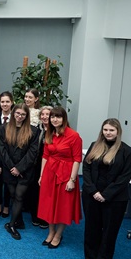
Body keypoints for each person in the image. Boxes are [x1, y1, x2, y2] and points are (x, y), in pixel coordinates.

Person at [82, 118, 131, 259]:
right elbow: (86, 169)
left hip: (114, 199)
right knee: (92, 226)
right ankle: (90, 256)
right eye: (105, 130)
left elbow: (124, 178)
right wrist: (93, 191)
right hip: (91, 195)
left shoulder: (128, 152)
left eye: (111, 130)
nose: (108, 133)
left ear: (118, 131)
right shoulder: (95, 145)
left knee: (109, 230)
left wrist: (105, 195)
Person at [37, 106, 82, 249]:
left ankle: (58, 234)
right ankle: (51, 232)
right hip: (50, 172)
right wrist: (41, 175)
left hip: (66, 174)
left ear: (64, 119)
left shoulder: (74, 135)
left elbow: (77, 159)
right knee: (49, 204)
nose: (54, 119)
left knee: (63, 206)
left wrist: (72, 180)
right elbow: (45, 156)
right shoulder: (49, 133)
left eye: (58, 117)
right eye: (52, 117)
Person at [0, 104, 39, 240]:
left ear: (26, 116)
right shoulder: (3, 129)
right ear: (13, 113)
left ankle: (11, 225)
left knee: (19, 196)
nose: (20, 116)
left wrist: (19, 168)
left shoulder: (34, 131)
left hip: (25, 170)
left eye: (23, 114)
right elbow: (2, 151)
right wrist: (12, 168)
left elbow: (32, 153)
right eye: (18, 113)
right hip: (9, 169)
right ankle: (19, 221)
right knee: (13, 195)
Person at [0, 91, 14, 218]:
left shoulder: (16, 117)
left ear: (12, 102)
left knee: (7, 182)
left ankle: (6, 205)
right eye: (2, 102)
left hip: (10, 155)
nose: (5, 104)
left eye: (7, 101)